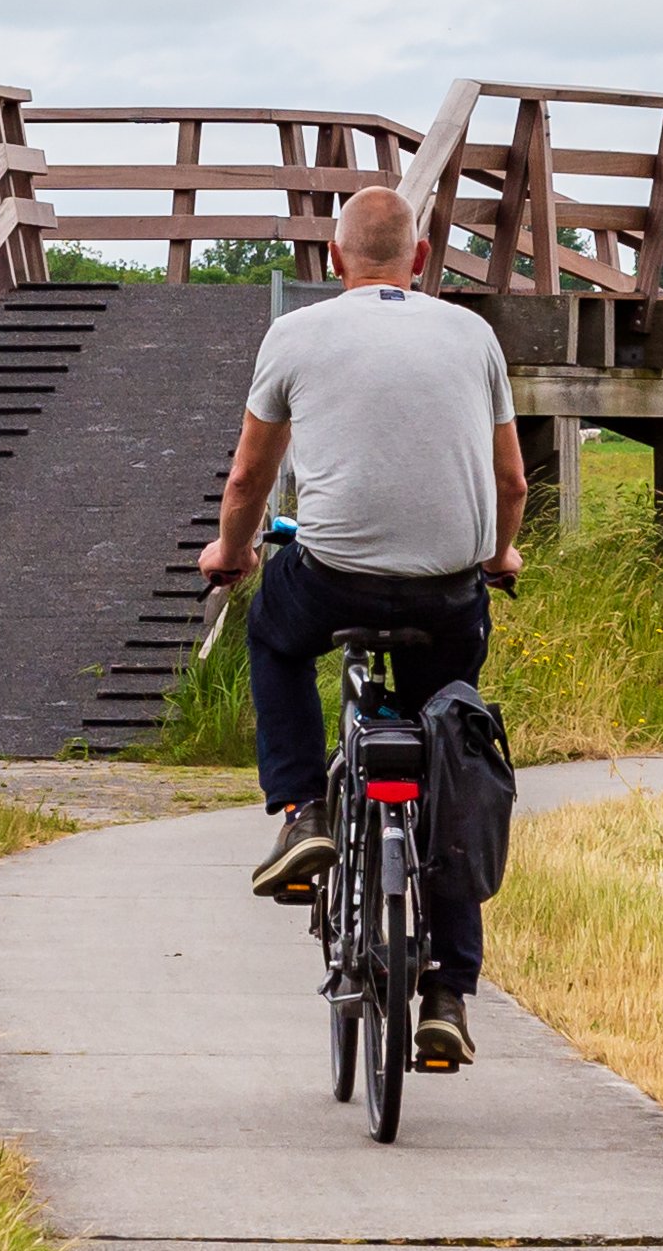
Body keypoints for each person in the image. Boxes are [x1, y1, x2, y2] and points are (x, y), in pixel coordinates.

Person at [194, 183, 525, 1071]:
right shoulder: (473, 336)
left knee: (273, 633)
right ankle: (449, 991)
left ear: (335, 261)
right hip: (448, 595)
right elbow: (513, 484)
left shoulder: (296, 334)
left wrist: (230, 554)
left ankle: (303, 807)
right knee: (447, 756)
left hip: (332, 580)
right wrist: (501, 556)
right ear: (420, 260)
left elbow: (247, 483)